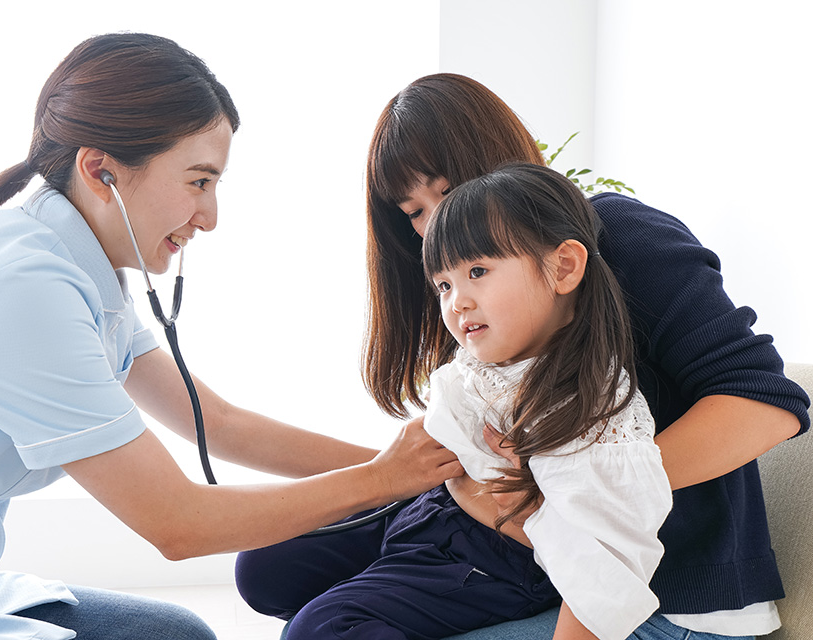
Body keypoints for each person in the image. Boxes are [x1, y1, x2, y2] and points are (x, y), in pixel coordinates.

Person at [0, 35, 463, 640]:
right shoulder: (20, 295)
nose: (211, 216)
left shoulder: (76, 268)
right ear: (102, 171)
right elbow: (177, 524)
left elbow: (216, 423)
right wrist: (386, 481)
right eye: (199, 181)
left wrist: (432, 472)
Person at [235, 73, 810, 639]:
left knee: (323, 627)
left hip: (641, 576)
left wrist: (564, 485)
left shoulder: (619, 236)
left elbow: (765, 400)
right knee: (268, 569)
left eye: (450, 189)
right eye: (413, 211)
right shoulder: (468, 288)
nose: (437, 222)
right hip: (483, 518)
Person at [276, 163, 674, 639]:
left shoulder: (590, 407)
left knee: (322, 630)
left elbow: (606, 562)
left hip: (491, 558)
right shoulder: (498, 355)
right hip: (433, 509)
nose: (456, 302)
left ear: (563, 267)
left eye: (478, 271)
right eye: (444, 285)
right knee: (270, 564)